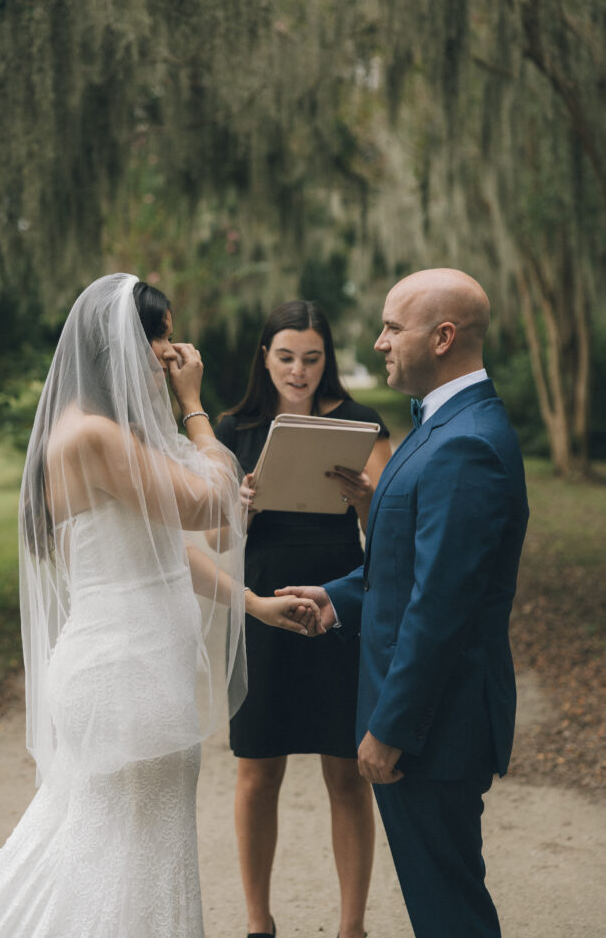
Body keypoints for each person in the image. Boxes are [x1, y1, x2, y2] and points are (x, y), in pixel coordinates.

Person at [0, 273, 321, 938]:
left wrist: (251, 602)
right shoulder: (91, 436)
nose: (173, 350)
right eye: (162, 335)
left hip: (139, 668)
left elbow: (170, 553)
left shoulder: (114, 433)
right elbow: (206, 502)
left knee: (123, 853)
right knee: (123, 855)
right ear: (119, 343)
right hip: (125, 675)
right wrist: (194, 405)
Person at [279, 269, 530, 938]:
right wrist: (337, 600)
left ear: (442, 337)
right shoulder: (439, 424)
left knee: (449, 913)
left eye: (393, 327)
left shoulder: (466, 444)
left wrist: (391, 729)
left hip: (434, 730)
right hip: (429, 722)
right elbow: (413, 567)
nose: (379, 341)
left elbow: (440, 607)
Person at [212, 299, 392, 938]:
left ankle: (352, 927)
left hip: (340, 600)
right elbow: (209, 543)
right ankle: (259, 923)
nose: (299, 371)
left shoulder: (362, 421)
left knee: (348, 768)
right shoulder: (234, 429)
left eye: (312, 359)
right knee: (257, 767)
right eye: (286, 357)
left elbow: (394, 536)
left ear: (328, 360)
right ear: (265, 357)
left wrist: (369, 504)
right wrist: (241, 509)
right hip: (261, 602)